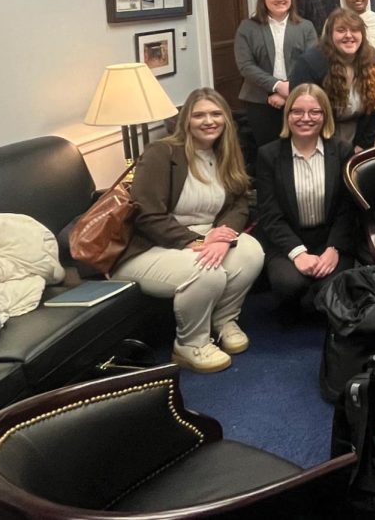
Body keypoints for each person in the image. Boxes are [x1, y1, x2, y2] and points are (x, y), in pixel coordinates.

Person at [111, 89, 263, 374]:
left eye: (216, 114)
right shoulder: (162, 152)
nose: (209, 121)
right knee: (207, 271)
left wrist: (225, 234)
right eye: (199, 115)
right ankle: (189, 344)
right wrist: (200, 241)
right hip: (150, 247)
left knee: (251, 251)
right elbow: (146, 214)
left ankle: (224, 320)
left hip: (205, 238)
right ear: (186, 121)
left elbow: (239, 201)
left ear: (226, 119)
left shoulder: (225, 152)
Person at [254, 84, 356, 310]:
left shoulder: (341, 151)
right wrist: (297, 253)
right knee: (289, 284)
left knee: (330, 287)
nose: (305, 118)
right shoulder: (269, 155)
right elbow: (270, 214)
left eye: (315, 112)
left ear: (325, 115)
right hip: (287, 240)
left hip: (329, 238)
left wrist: (334, 248)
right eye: (297, 111)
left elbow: (347, 210)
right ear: (287, 115)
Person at [234, 0, 317, 149]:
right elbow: (246, 66)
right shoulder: (247, 27)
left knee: (298, 148)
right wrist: (277, 86)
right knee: (267, 151)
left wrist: (289, 90)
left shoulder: (305, 27)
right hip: (260, 100)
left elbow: (311, 63)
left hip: (299, 99)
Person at [288, 8, 375, 152]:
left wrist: (362, 145)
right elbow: (303, 113)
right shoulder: (310, 63)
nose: (349, 35)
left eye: (354, 30)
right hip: (317, 139)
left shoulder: (373, 61)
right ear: (330, 35)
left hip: (357, 139)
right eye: (341, 30)